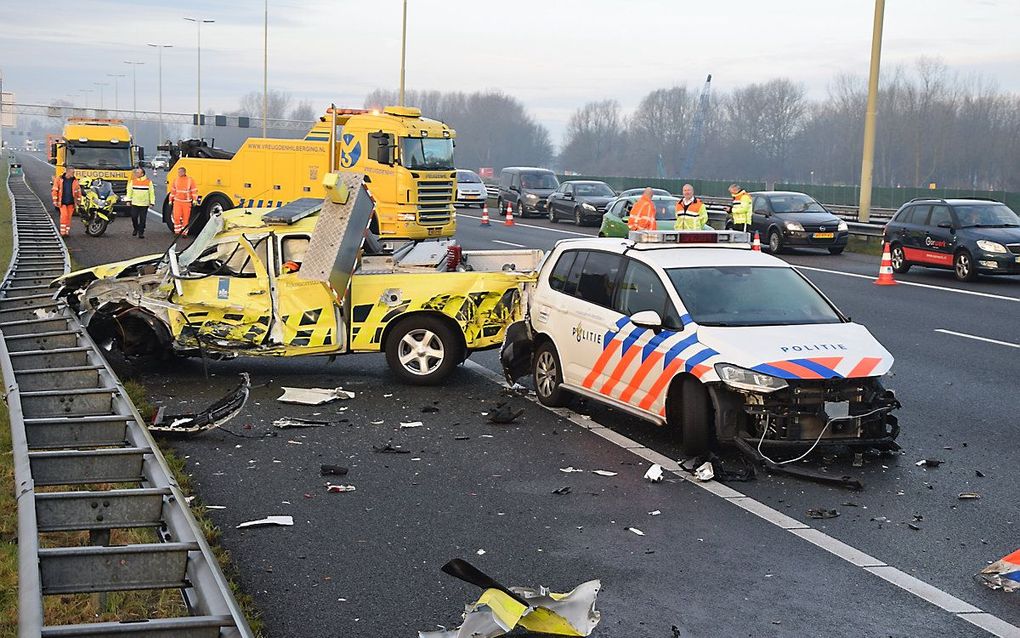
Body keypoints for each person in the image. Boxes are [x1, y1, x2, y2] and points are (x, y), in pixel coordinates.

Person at [50, 166, 81, 237]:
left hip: (71, 202)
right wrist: (55, 200)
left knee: (69, 217)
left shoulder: (75, 181)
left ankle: (66, 231)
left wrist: (79, 201)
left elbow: (78, 191)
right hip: (62, 202)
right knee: (64, 216)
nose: (73, 173)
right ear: (67, 172)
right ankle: (63, 232)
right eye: (72, 172)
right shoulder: (59, 179)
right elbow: (54, 190)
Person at [126, 168, 155, 238]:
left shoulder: (148, 182)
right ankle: (136, 228)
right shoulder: (133, 181)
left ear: (142, 174)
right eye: (136, 172)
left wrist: (152, 202)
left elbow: (151, 193)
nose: (136, 174)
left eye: (138, 173)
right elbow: (129, 192)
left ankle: (141, 232)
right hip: (135, 203)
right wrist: (128, 200)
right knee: (134, 217)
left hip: (144, 203)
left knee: (143, 219)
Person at [169, 166, 198, 235]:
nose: (179, 173)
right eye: (178, 172)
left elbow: (194, 190)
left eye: (180, 172)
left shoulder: (190, 180)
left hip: (186, 202)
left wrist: (194, 200)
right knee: (176, 217)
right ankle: (177, 231)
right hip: (177, 201)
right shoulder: (176, 180)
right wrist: (170, 200)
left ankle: (184, 232)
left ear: (184, 172)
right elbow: (173, 191)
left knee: (186, 218)